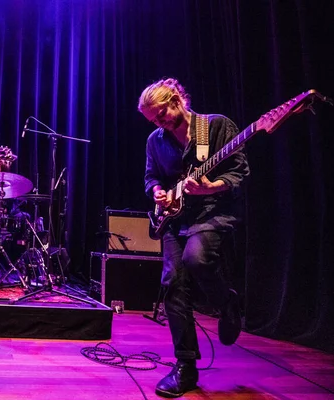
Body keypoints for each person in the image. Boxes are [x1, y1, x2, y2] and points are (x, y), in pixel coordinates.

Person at [139, 78, 249, 397]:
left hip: (215, 209)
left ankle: (226, 301)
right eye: (153, 120)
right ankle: (186, 366)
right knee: (173, 281)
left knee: (196, 258)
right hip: (176, 217)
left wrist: (213, 186)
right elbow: (151, 178)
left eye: (161, 115)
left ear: (176, 99)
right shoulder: (155, 141)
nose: (159, 123)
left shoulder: (214, 127)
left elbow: (239, 171)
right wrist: (158, 192)